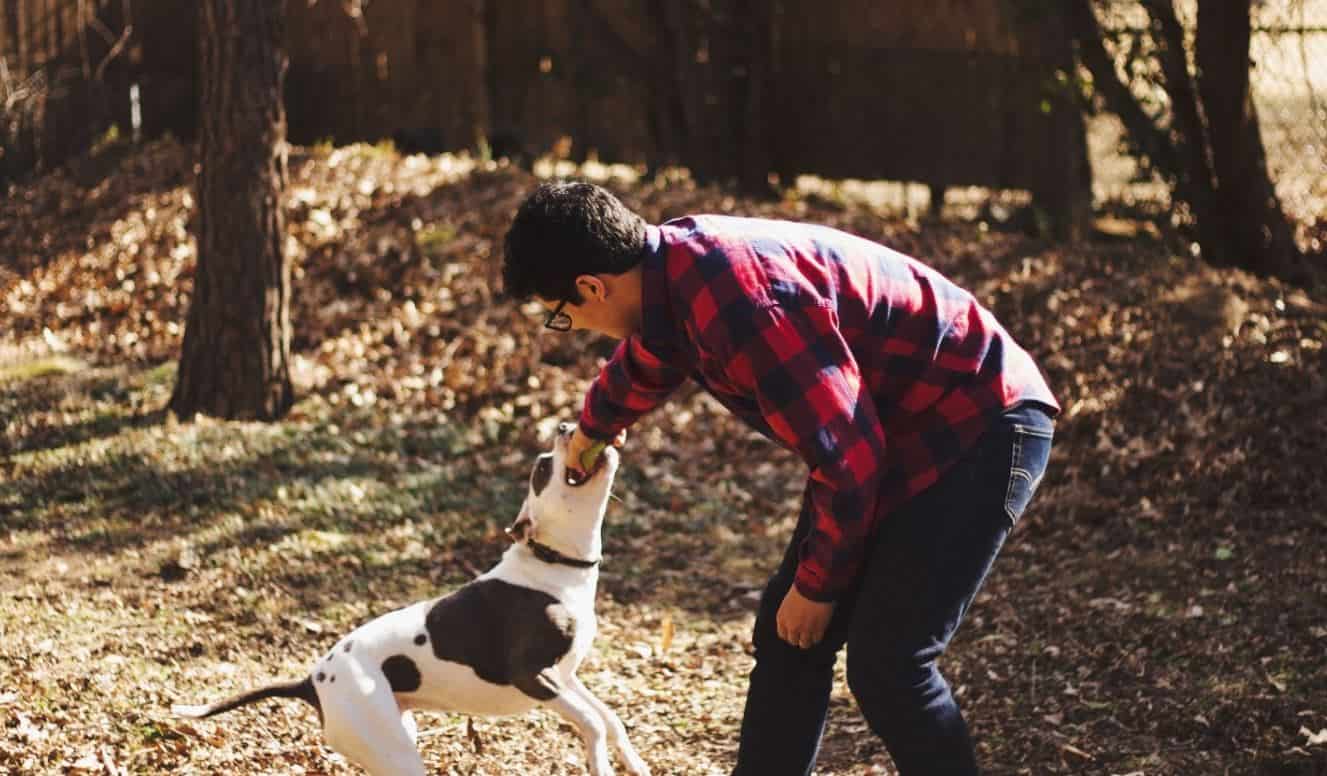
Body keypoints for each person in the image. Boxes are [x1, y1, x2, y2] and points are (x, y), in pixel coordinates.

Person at [501, 180, 1058, 776]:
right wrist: (592, 428)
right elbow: (651, 357)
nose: (574, 325)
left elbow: (849, 459)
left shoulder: (745, 305)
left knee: (890, 665)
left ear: (592, 285)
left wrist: (818, 587)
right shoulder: (675, 275)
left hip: (978, 423)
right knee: (788, 638)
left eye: (564, 313)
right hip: (895, 432)